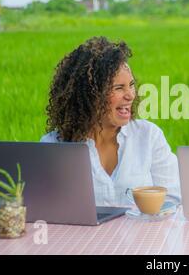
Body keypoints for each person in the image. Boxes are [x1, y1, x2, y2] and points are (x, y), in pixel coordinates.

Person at [41, 36, 180, 207]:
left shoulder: (149, 136)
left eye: (131, 85)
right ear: (90, 96)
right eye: (119, 88)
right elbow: (46, 209)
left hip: (142, 234)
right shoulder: (53, 146)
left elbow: (174, 199)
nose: (130, 95)